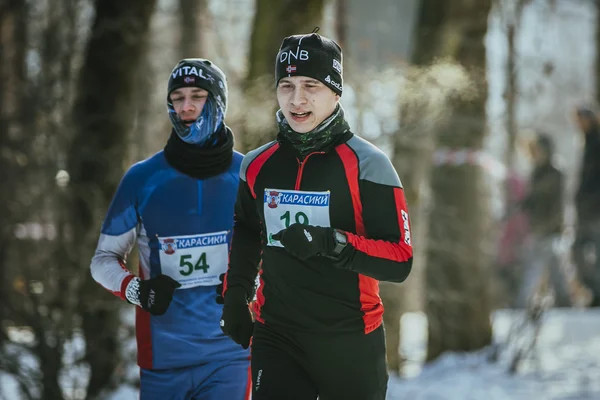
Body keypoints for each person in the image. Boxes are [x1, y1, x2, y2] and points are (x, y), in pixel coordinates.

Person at [218, 32, 413, 400]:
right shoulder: (257, 165)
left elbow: (400, 260)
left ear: (336, 92)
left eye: (311, 85)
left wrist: (331, 241)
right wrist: (236, 294)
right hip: (278, 337)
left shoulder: (369, 165)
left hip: (350, 339)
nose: (297, 99)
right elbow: (246, 229)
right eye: (286, 85)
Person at [90, 58, 251, 399]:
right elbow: (103, 259)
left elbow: (275, 253)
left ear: (219, 101)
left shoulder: (249, 174)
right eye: (177, 97)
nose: (186, 107)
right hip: (164, 360)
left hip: (232, 355)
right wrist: (136, 290)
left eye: (198, 95)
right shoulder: (143, 178)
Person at [516, 133, 571, 307]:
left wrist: (551, 226)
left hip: (550, 228)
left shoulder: (555, 173)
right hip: (537, 227)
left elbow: (555, 203)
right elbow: (530, 200)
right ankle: (563, 301)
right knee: (553, 268)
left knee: (536, 267)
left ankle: (524, 302)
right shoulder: (536, 172)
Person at [572, 107, 600, 307]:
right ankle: (594, 291)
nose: (578, 124)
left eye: (581, 119)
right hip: (585, 209)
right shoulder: (587, 143)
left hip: (596, 208)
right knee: (577, 251)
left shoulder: (597, 143)